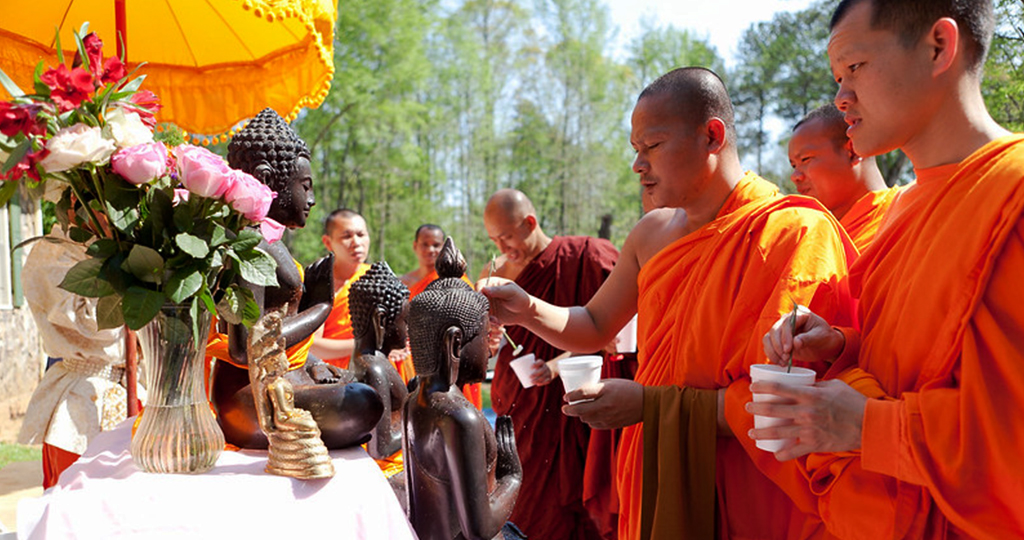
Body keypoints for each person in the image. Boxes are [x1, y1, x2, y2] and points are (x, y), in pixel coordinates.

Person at [482, 67, 857, 539]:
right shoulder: (651, 233)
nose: (638, 165)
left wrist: (650, 406)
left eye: (651, 147)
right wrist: (524, 308)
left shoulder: (790, 233)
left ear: (712, 136)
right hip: (656, 459)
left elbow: (779, 395)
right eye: (635, 151)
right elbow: (594, 322)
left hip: (745, 478)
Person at [754, 1, 1024, 538]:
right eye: (836, 76)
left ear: (939, 47)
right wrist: (841, 345)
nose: (840, 97)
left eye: (855, 68)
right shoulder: (901, 210)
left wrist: (865, 426)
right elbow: (913, 356)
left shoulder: (1011, 193)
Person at [208, 108, 382, 450]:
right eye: (304, 186)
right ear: (267, 178)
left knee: (364, 386)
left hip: (278, 380)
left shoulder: (269, 240)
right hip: (249, 400)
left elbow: (281, 324)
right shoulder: (247, 243)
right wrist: (320, 307)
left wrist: (314, 364)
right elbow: (246, 348)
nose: (312, 199)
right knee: (363, 403)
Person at [478, 188, 618, 540]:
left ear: (530, 222)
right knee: (527, 504)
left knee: (582, 503)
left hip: (576, 400)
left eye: (507, 235)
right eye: (494, 239)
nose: (503, 247)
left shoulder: (581, 258)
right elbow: (486, 346)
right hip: (521, 405)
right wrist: (489, 342)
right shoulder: (496, 273)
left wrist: (556, 366)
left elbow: (608, 331)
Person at [404, 238, 523, 540]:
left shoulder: (413, 401)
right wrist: (511, 477)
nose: (489, 350)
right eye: (484, 336)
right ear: (455, 343)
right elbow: (479, 529)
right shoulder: (460, 417)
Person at [18, 225, 133, 489]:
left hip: (137, 391)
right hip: (80, 399)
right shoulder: (55, 251)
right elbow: (96, 324)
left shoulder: (130, 246)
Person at [788, 103, 898, 251]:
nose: (795, 176)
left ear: (852, 152)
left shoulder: (904, 219)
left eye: (805, 159)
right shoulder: (817, 242)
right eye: (794, 166)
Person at [401, 223, 483, 408]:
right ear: (415, 246)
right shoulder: (404, 283)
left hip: (452, 361)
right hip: (419, 359)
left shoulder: (459, 284)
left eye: (436, 245)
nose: (431, 249)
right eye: (425, 244)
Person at [309, 208, 371, 368]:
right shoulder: (320, 282)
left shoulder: (377, 278)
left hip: (376, 370)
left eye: (361, 235)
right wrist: (366, 345)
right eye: (347, 236)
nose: (356, 243)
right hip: (331, 376)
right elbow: (313, 347)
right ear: (328, 242)